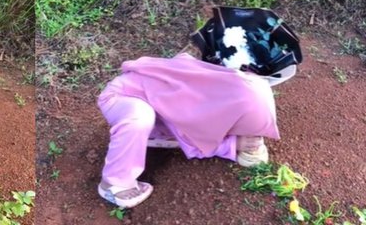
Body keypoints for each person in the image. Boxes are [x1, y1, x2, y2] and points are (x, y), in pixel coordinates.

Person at [96, 43, 294, 208]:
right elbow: (186, 131)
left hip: (157, 107)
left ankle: (153, 136)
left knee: (151, 117)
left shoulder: (223, 85)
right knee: (139, 117)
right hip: (123, 98)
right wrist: (231, 146)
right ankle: (114, 182)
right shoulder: (194, 92)